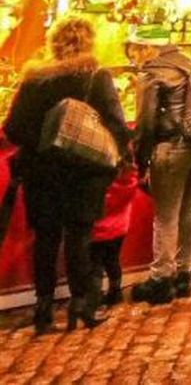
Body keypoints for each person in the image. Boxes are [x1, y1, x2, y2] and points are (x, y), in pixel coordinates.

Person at [3, 17, 128, 334]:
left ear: (53, 43)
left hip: (41, 173)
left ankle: (43, 308)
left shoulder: (34, 80)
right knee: (79, 238)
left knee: (45, 239)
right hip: (84, 174)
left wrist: (45, 143)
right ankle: (81, 304)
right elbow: (116, 125)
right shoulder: (96, 78)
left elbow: (14, 128)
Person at [128, 26, 191, 306]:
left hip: (173, 148)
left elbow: (145, 123)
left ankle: (161, 279)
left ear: (147, 48)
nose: (135, 56)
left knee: (166, 215)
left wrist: (141, 158)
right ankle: (184, 273)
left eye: (136, 49)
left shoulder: (153, 72)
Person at [92, 162, 138, 308]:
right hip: (119, 228)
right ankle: (115, 291)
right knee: (113, 260)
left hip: (97, 229)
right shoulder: (129, 178)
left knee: (95, 265)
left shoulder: (98, 180)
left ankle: (95, 297)